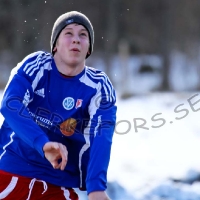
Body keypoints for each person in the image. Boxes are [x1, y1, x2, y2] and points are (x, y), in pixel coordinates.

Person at [0, 11, 117, 200]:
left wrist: (96, 187)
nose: (76, 40)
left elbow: (102, 135)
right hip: (12, 171)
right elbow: (10, 103)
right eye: (68, 33)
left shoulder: (98, 86)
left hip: (58, 182)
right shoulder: (37, 65)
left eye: (83, 35)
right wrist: (43, 143)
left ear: (89, 48)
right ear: (55, 45)